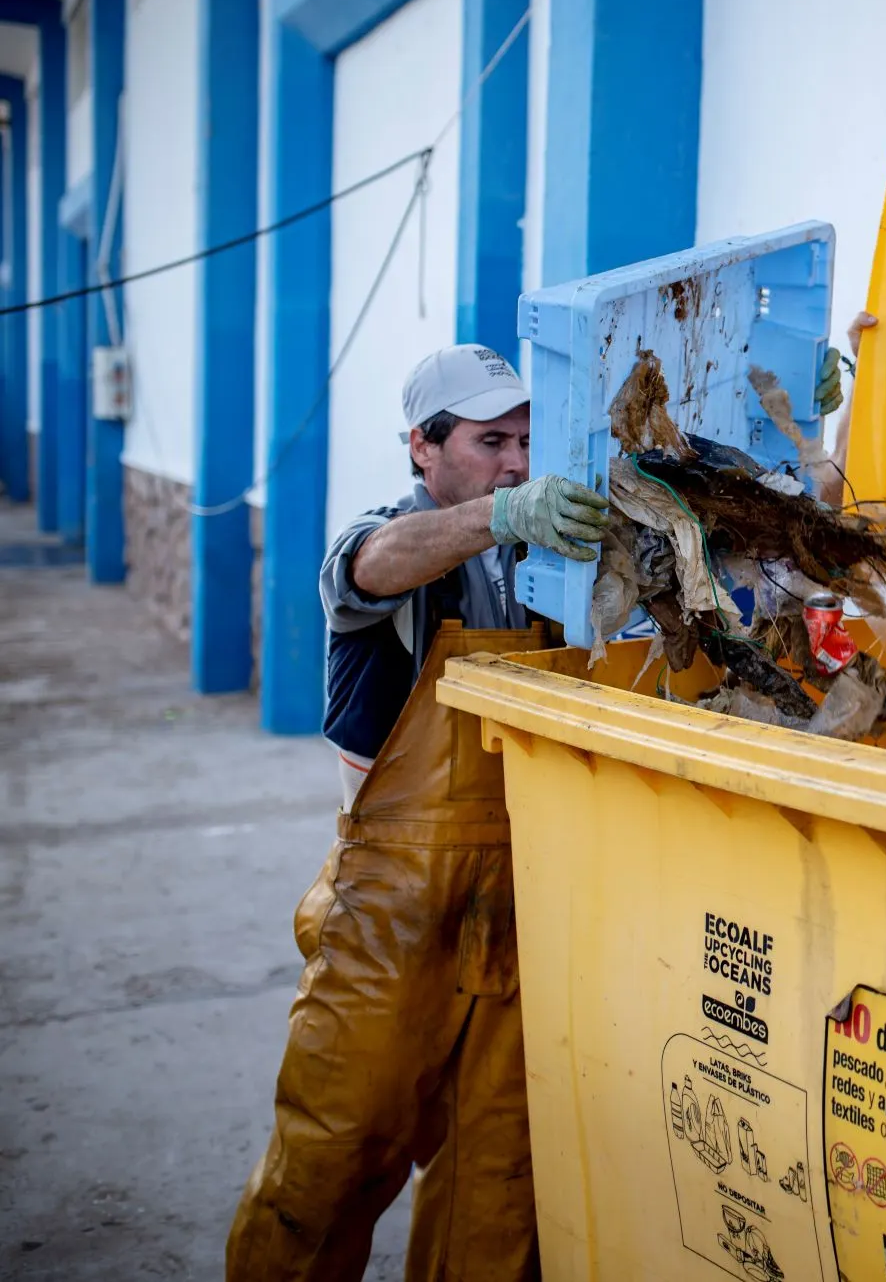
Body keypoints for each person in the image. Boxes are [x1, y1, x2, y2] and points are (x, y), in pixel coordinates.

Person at [228, 344, 608, 1281]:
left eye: (526, 441)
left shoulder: (555, 564)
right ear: (423, 448)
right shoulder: (384, 541)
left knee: (501, 1182)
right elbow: (375, 564)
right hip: (390, 916)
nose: (516, 462)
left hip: (521, 911)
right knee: (330, 1160)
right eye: (490, 441)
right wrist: (501, 516)